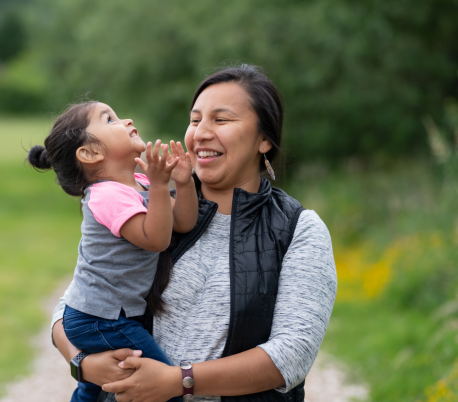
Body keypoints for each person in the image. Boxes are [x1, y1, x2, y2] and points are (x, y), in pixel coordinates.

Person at [51, 65, 337, 402]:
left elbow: (291, 355)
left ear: (264, 140)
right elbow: (74, 304)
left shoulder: (298, 229)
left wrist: (179, 381)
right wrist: (83, 364)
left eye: (221, 119)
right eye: (196, 119)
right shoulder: (154, 212)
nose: (201, 132)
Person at [28, 101, 198, 402]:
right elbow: (155, 239)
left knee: (95, 388)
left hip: (108, 315)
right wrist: (161, 187)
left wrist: (182, 184)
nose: (126, 119)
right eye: (109, 119)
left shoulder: (141, 183)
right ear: (91, 153)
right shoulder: (106, 195)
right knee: (161, 381)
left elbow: (182, 223)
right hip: (99, 318)